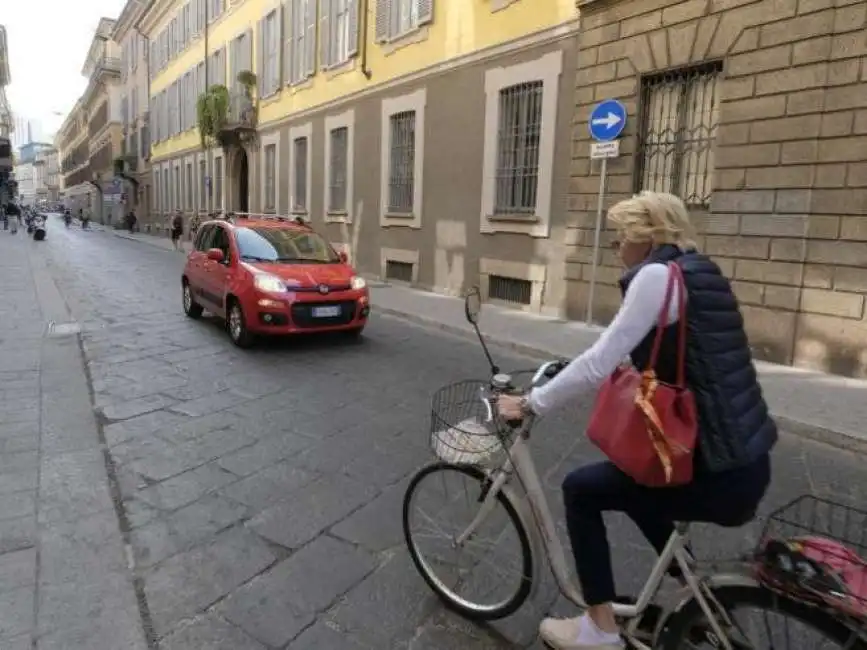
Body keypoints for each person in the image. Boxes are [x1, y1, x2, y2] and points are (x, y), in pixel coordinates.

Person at [497, 191, 777, 650]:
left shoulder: (655, 277)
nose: (615, 250)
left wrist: (531, 403)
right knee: (638, 485)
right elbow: (659, 347)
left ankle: (599, 630)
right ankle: (698, 595)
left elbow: (599, 363)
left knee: (581, 490)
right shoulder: (699, 271)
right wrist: (567, 370)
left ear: (641, 238)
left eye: (618, 239)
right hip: (745, 458)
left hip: (713, 465)